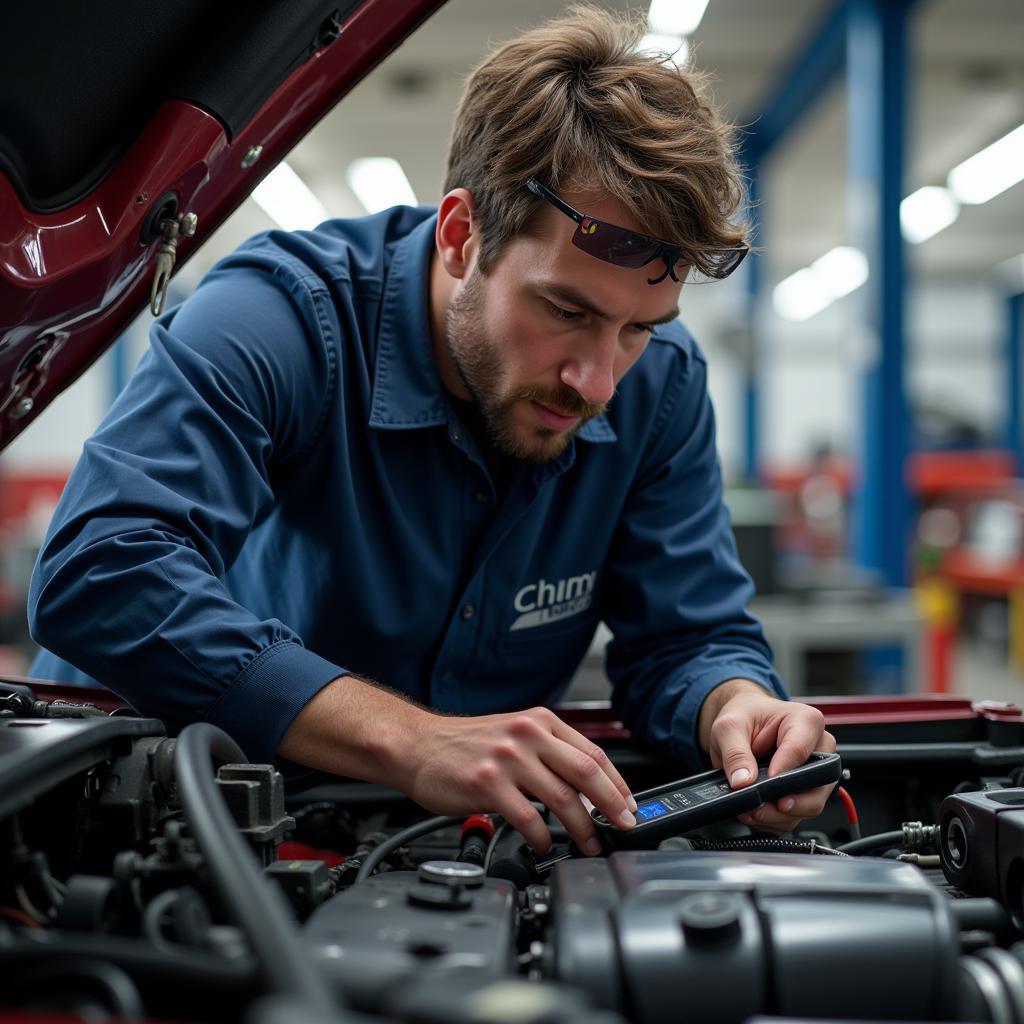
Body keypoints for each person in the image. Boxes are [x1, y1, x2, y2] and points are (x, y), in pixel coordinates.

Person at [28, 5, 835, 857]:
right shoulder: (278, 321)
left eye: (640, 326)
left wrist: (733, 702)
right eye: (567, 309)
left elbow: (687, 635)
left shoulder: (662, 388)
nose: (599, 380)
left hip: (443, 852)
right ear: (460, 236)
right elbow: (102, 568)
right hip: (150, 826)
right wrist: (412, 739)